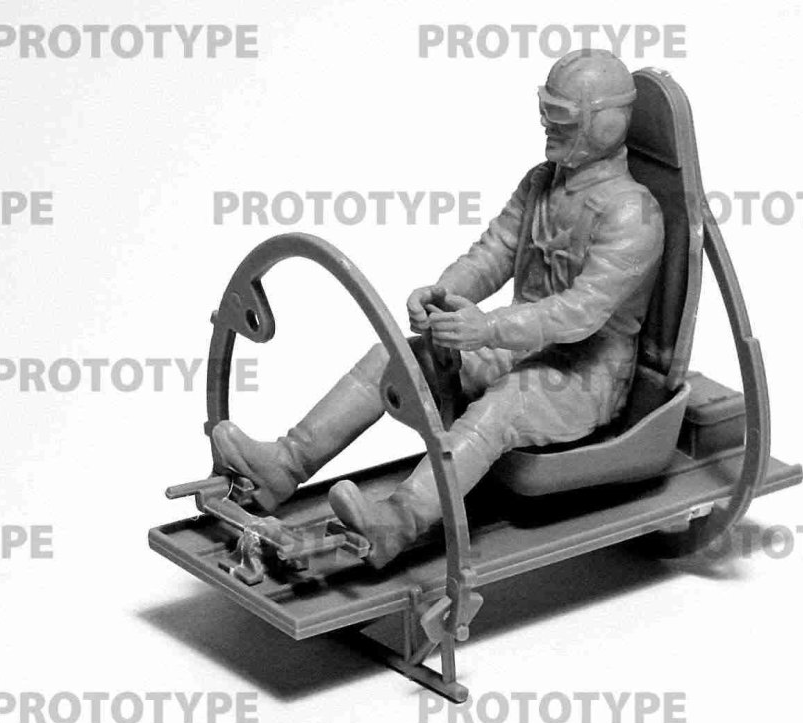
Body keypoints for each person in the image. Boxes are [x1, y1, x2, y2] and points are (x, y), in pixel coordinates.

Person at [212, 49, 665, 568]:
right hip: (520, 348)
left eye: (560, 116)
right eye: (545, 109)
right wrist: (444, 294)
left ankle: (396, 522)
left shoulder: (634, 214)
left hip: (587, 377)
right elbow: (495, 252)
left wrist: (487, 328)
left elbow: (580, 312)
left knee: (505, 405)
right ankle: (283, 465)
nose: (546, 124)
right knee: (396, 360)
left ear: (604, 125)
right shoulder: (542, 182)